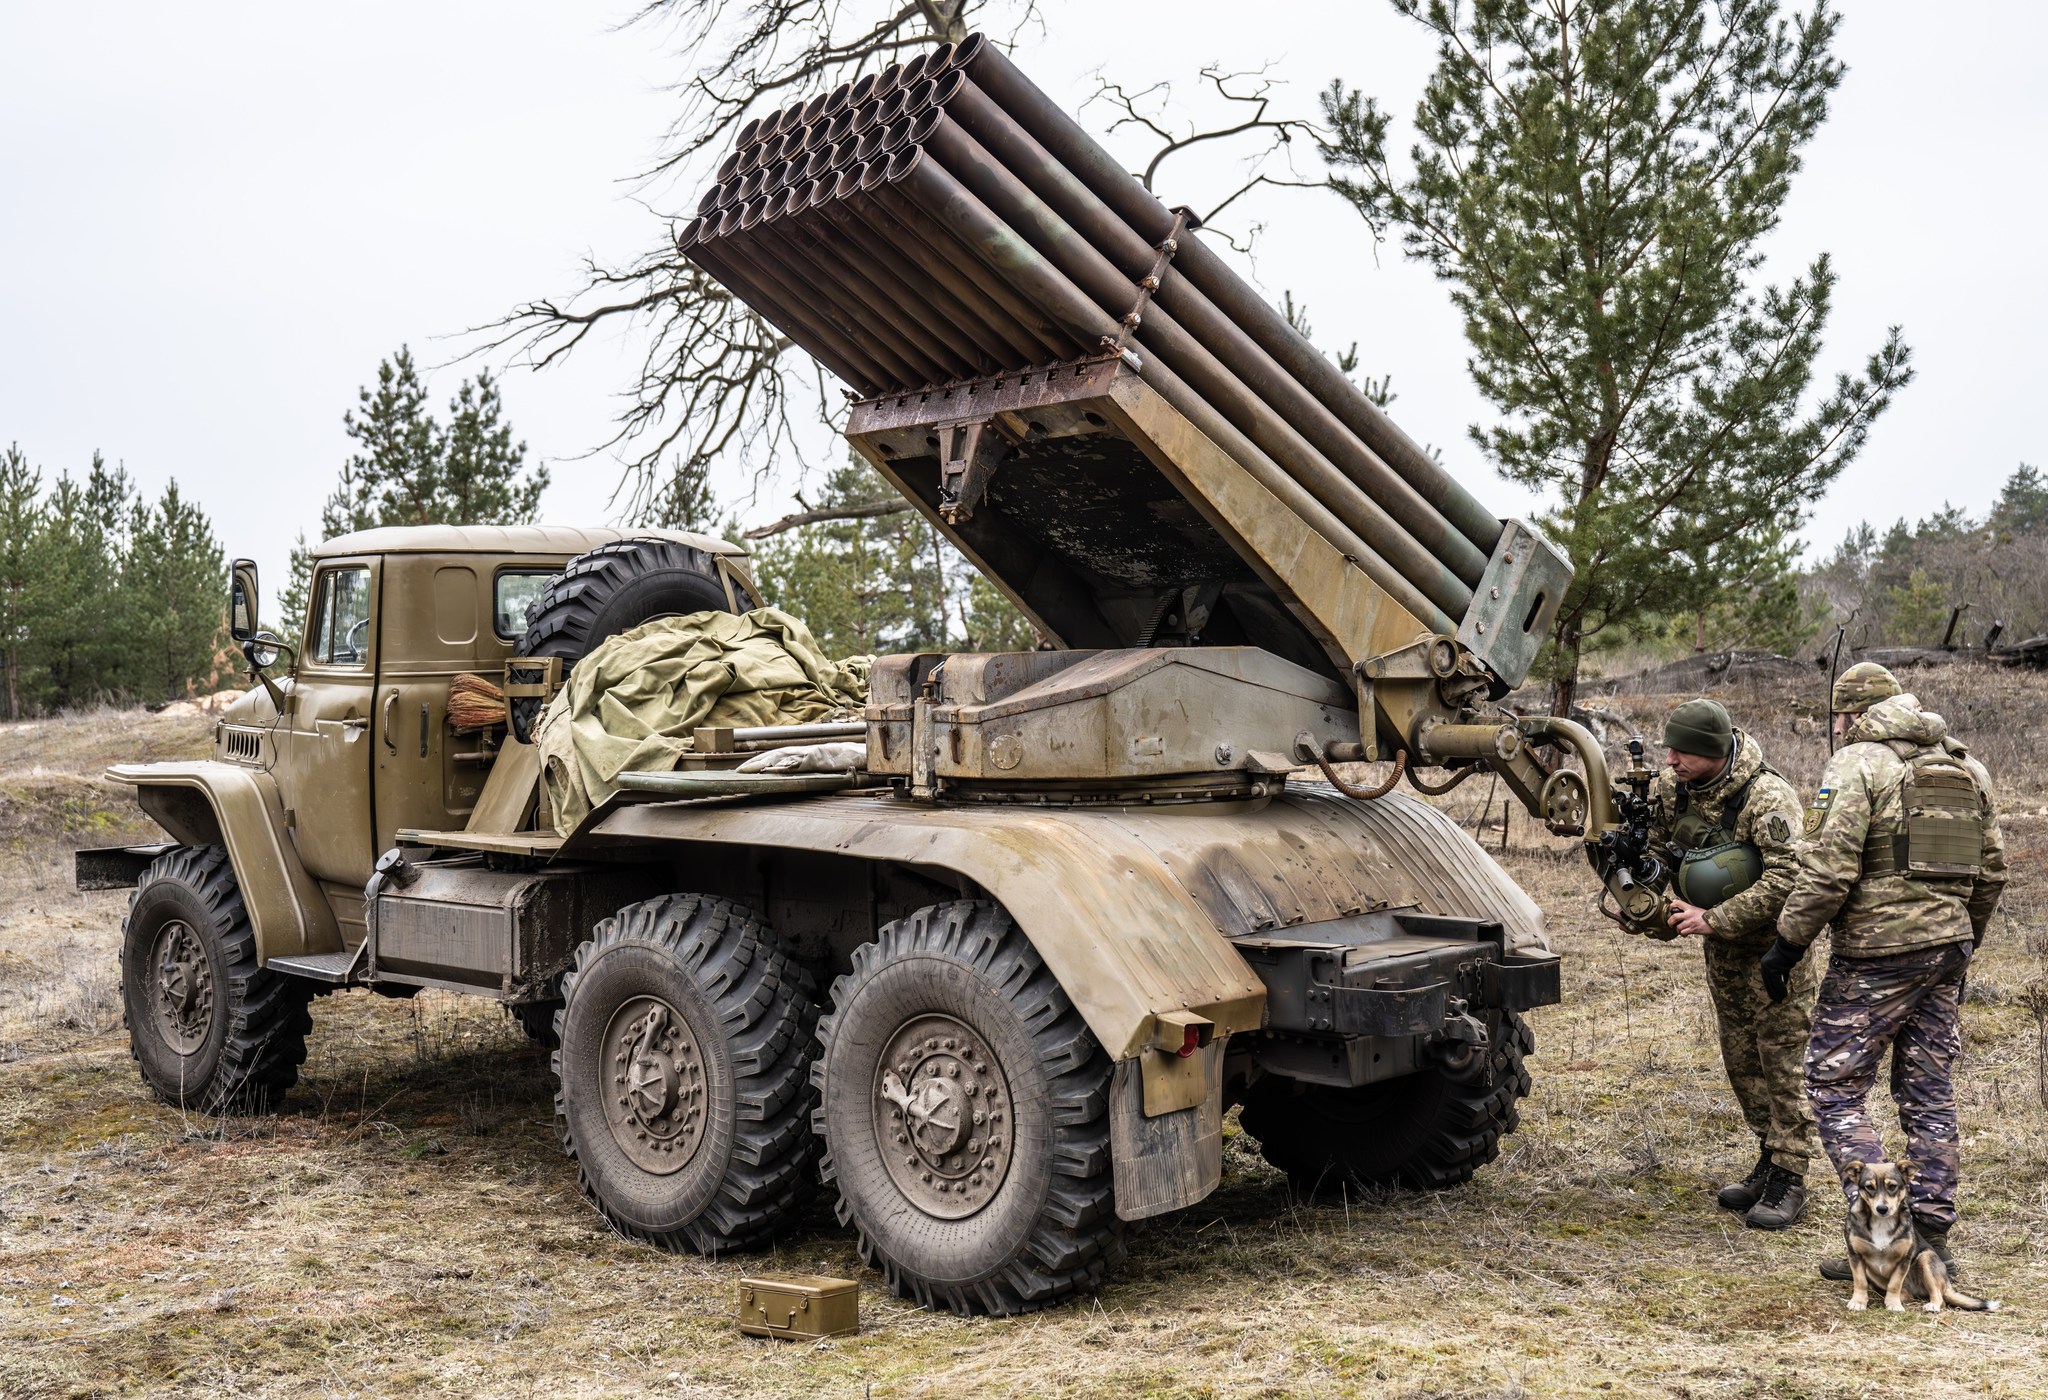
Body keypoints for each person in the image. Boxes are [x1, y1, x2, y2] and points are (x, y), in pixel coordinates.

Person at [1759, 662, 2006, 1279]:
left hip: (1876, 952)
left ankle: (1883, 1236)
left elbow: (1828, 871)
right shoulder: (1965, 767)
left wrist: (1787, 944)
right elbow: (1993, 871)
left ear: (1848, 715)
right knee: (1930, 1093)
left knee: (1832, 1083)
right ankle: (1931, 1242)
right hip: (1946, 948)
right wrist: (1960, 942)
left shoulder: (1857, 764)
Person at [1646, 698, 1815, 1229]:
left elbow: (1787, 879)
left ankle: (1791, 1175)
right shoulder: (1673, 792)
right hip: (1722, 958)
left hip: (1774, 954)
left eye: (1682, 753)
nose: (1670, 760)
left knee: (1782, 1060)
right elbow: (1654, 850)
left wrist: (1714, 918)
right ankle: (1768, 1157)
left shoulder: (1768, 795)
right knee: (1741, 1060)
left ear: (1714, 753)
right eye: (1669, 749)